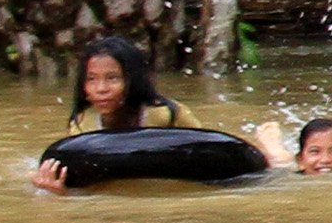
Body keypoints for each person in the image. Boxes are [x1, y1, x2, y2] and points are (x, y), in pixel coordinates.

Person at [29, 35, 206, 191]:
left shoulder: (169, 115)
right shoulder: (82, 126)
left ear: (132, 81)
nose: (101, 89)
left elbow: (209, 154)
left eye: (112, 78)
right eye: (91, 79)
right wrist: (59, 192)